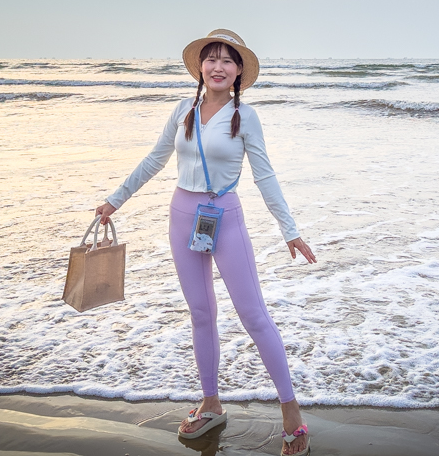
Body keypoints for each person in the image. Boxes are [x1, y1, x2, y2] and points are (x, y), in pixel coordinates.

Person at [95, 29, 316, 456]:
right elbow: (156, 158)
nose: (218, 66)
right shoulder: (183, 109)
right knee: (201, 313)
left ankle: (291, 412)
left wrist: (289, 229)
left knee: (253, 315)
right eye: (211, 58)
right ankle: (211, 402)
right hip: (181, 217)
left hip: (224, 218)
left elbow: (264, 175)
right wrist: (115, 199)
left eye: (227, 61)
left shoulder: (245, 116)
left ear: (239, 72)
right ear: (200, 66)